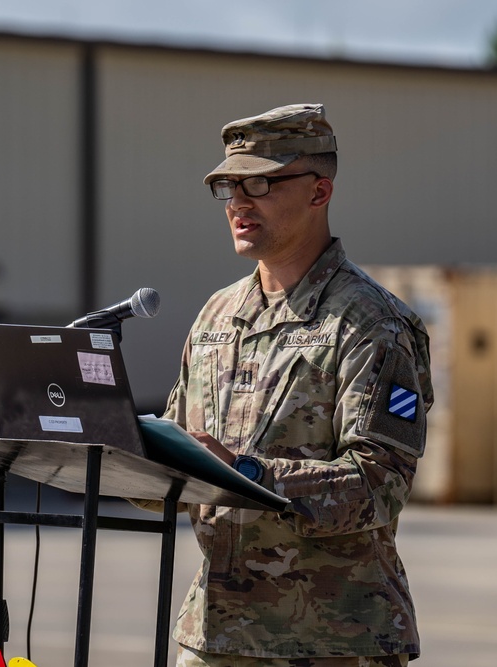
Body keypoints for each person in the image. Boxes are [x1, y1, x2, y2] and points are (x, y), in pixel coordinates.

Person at [146, 103, 433, 667]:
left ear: (319, 192)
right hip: (215, 636)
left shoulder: (372, 323)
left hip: (331, 640)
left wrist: (249, 474)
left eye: (261, 181)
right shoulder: (217, 316)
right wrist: (110, 447)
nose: (238, 202)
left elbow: (379, 485)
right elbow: (174, 462)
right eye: (229, 186)